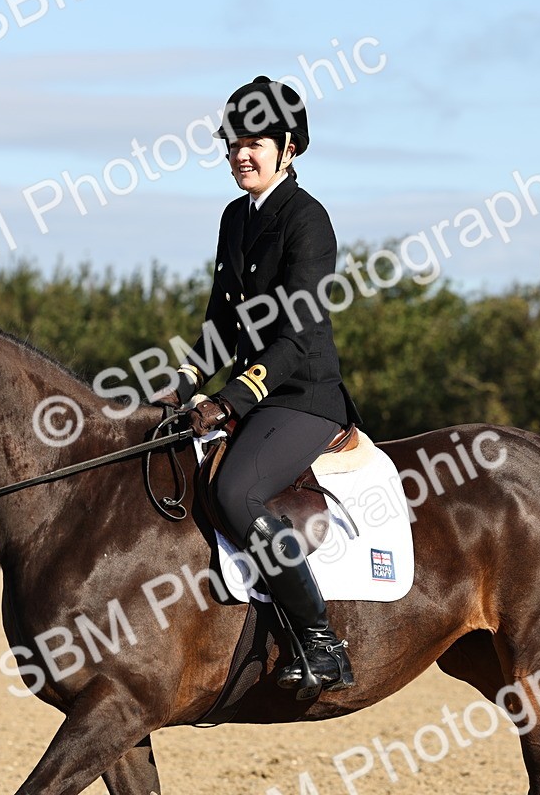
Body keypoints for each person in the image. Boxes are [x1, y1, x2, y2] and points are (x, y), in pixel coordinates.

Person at [155, 76, 361, 692]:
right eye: (233, 142)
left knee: (237, 490)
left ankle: (322, 642)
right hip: (253, 390)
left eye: (255, 142)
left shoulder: (308, 221)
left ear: (288, 147)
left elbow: (296, 339)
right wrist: (183, 381)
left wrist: (229, 399)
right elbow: (222, 320)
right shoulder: (234, 217)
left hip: (303, 396)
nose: (240, 153)